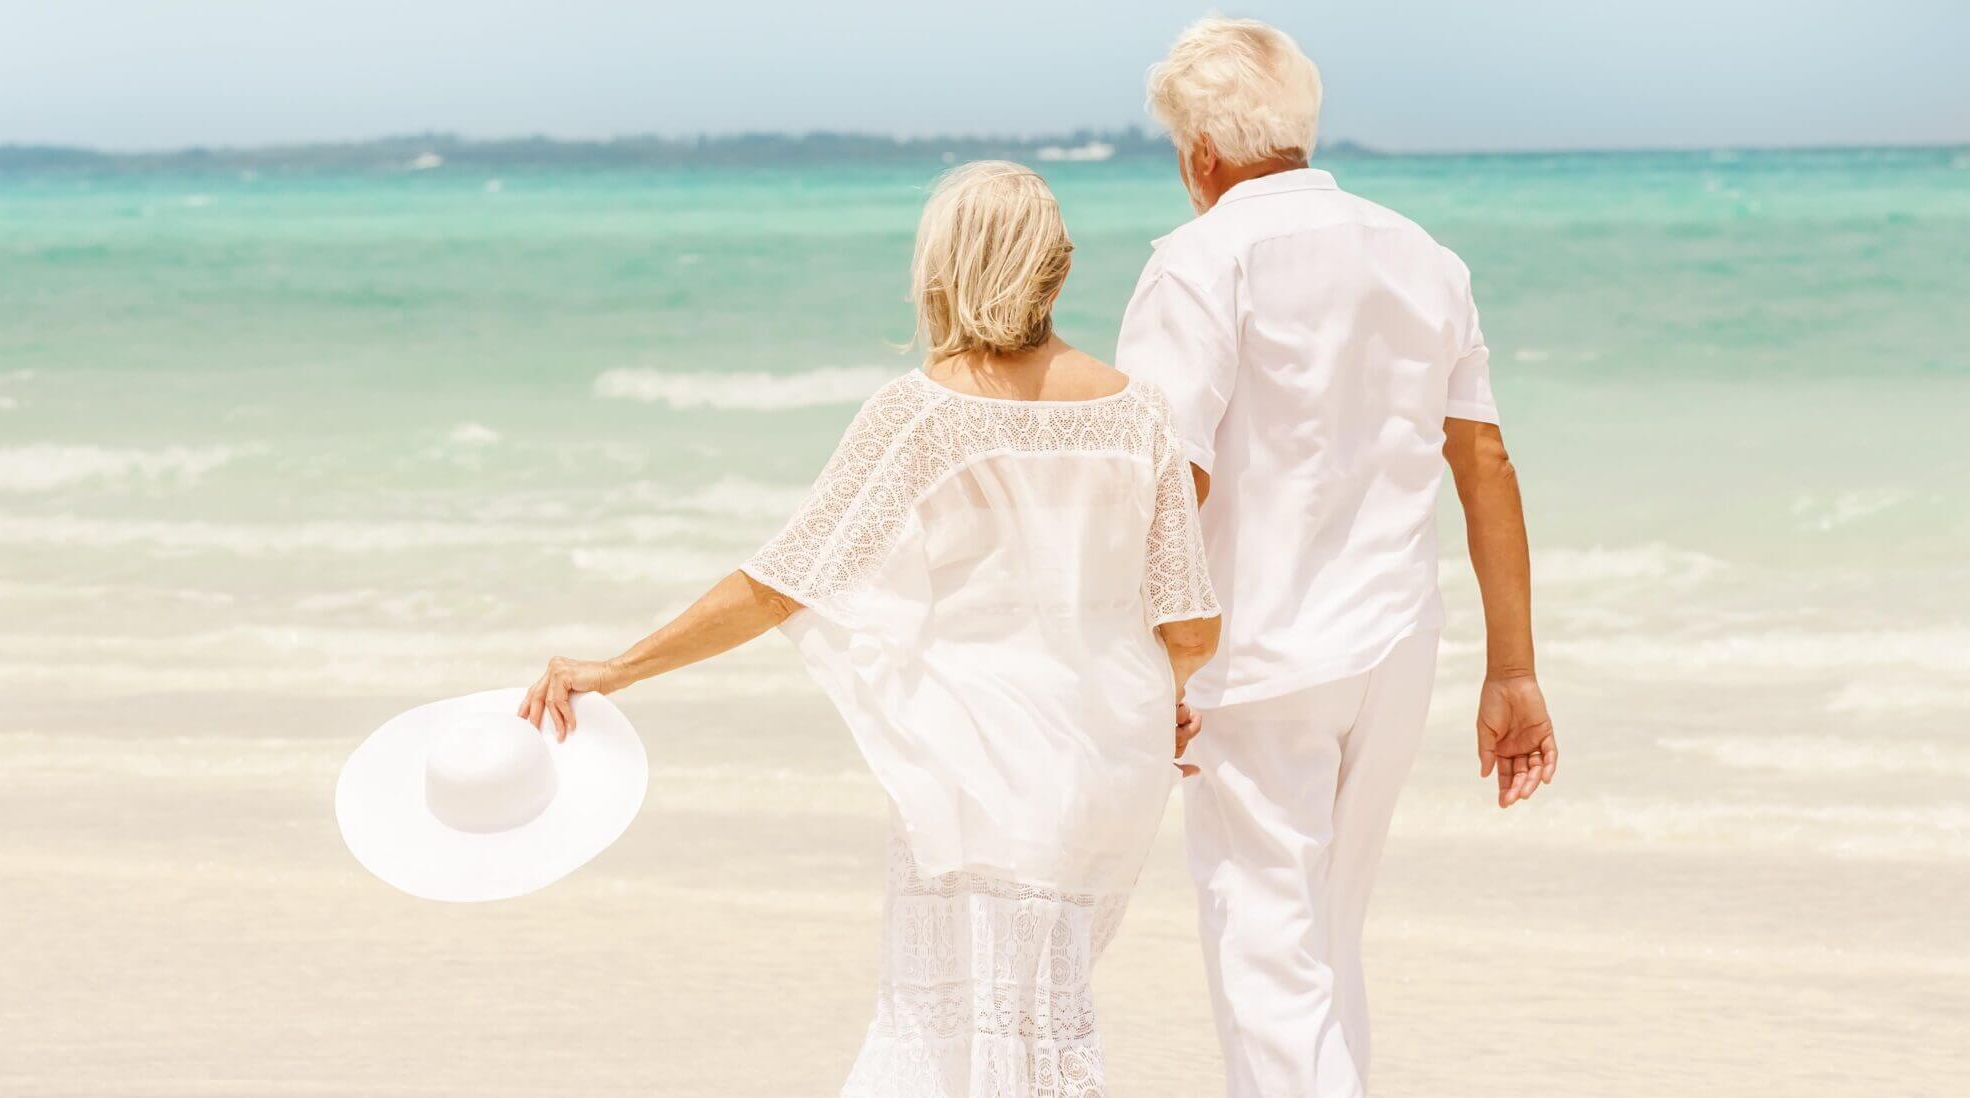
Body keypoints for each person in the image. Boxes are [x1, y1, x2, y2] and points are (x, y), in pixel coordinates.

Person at [520, 160, 1222, 1097]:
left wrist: (618, 668)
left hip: (976, 766)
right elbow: (1191, 623)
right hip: (1108, 773)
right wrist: (1164, 703)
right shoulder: (1138, 413)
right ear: (1056, 266)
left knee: (953, 1038)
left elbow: (780, 584)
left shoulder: (922, 414)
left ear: (946, 271)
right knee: (1043, 1028)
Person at [1115, 17, 1560, 1098]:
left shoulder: (1198, 260)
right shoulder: (1423, 256)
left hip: (1254, 657)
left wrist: (1149, 655)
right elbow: (1484, 461)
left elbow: (1166, 480)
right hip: (1392, 651)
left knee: (1266, 952)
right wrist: (1513, 671)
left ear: (1200, 153)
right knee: (1323, 939)